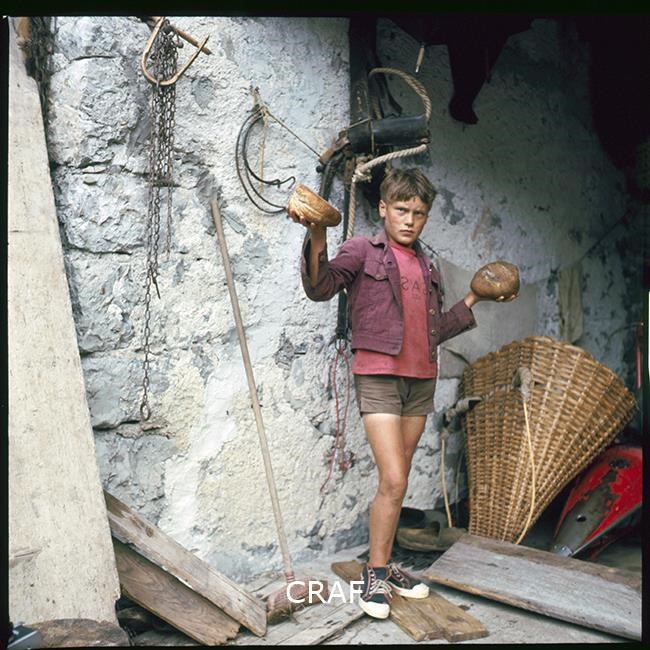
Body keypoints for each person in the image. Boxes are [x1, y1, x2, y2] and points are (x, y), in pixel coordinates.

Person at [289, 167, 513, 619]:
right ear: (384, 209)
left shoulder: (428, 266)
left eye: (419, 213)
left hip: (420, 379)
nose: (410, 220)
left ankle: (385, 564)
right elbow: (321, 287)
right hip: (379, 375)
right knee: (393, 480)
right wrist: (317, 233)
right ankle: (374, 575)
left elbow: (434, 330)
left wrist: (474, 299)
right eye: (402, 210)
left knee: (399, 480)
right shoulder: (362, 250)